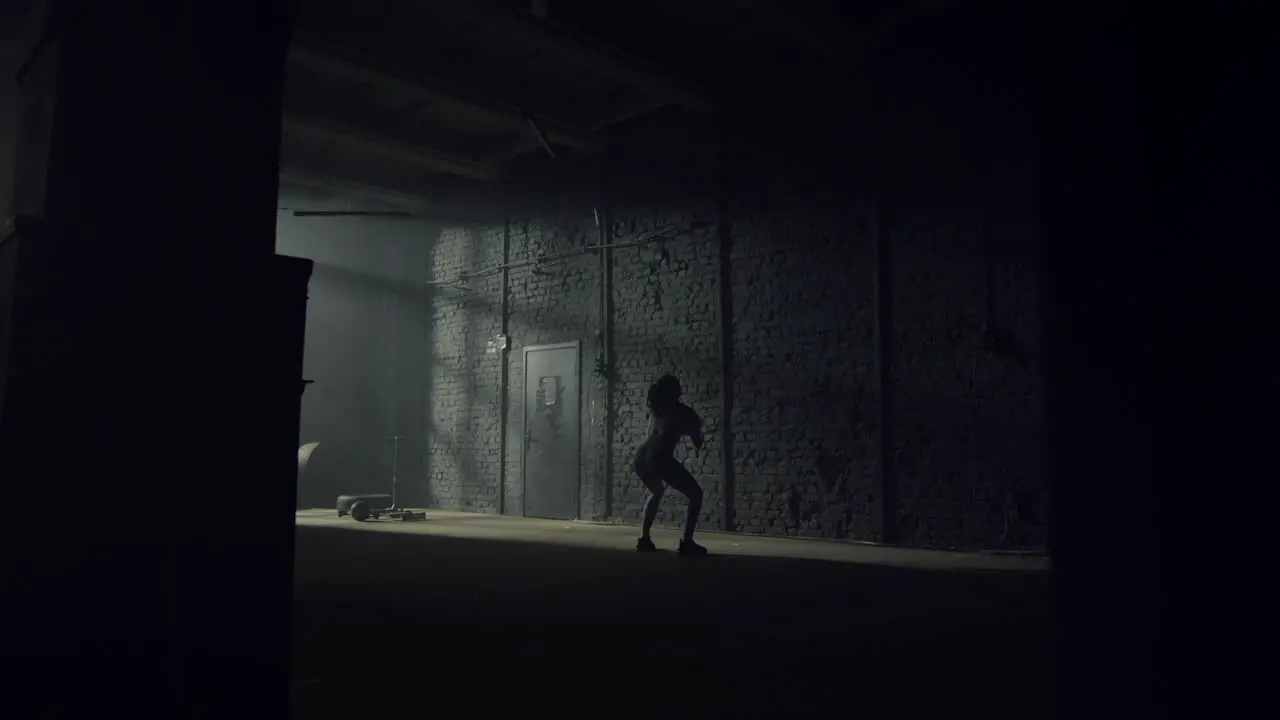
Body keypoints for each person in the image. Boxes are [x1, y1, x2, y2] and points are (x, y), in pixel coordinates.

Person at [633, 374, 708, 555]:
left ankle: (644, 539)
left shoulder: (658, 409)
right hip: (659, 457)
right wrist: (697, 433)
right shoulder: (682, 411)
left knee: (657, 491)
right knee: (696, 494)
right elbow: (696, 439)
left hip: (642, 456)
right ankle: (687, 542)